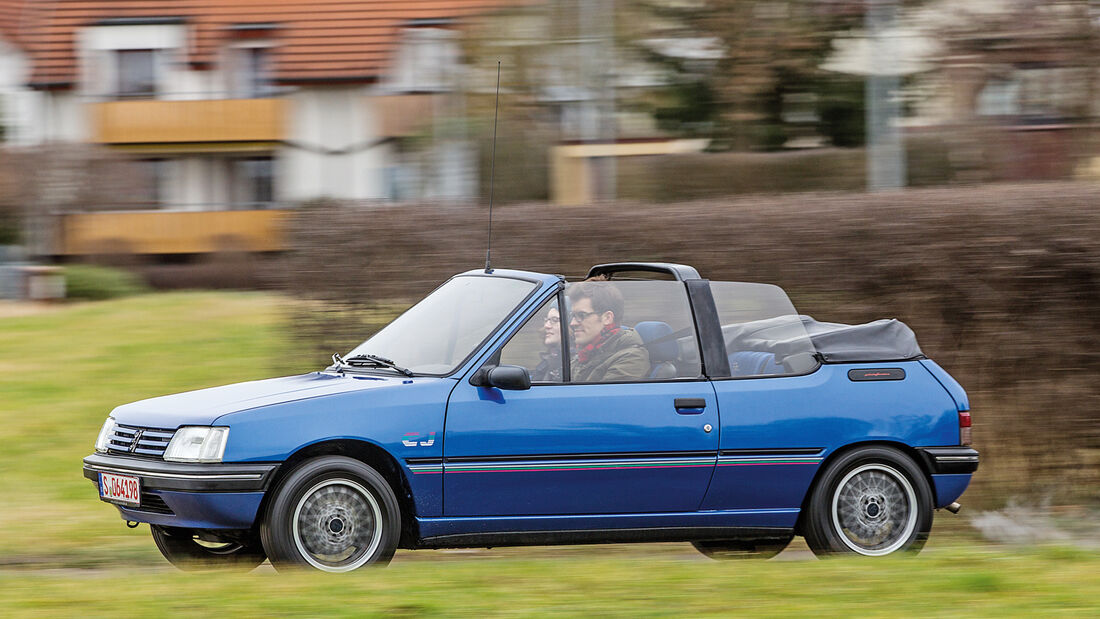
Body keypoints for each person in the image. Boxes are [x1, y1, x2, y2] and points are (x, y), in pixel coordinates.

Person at [567, 280, 649, 382]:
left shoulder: (631, 358)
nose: (572, 323)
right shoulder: (584, 356)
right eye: (573, 316)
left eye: (581, 315)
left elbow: (599, 397)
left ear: (607, 318)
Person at [531, 305, 563, 382]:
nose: (546, 326)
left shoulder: (572, 363)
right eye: (546, 320)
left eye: (554, 320)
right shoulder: (551, 359)